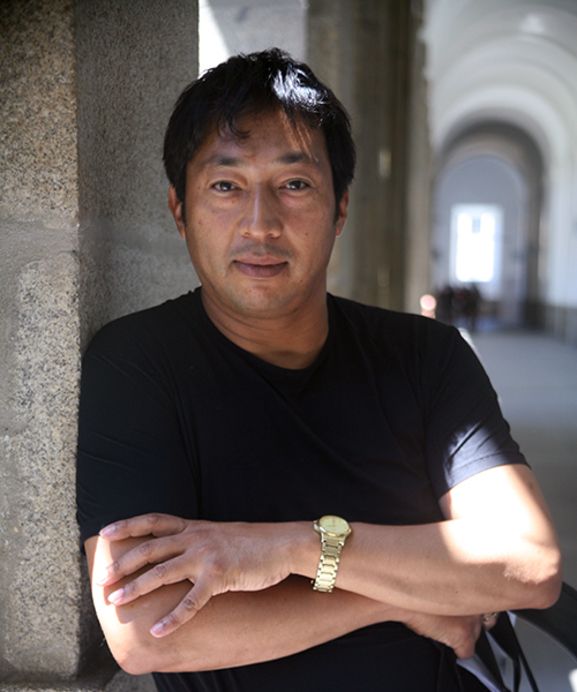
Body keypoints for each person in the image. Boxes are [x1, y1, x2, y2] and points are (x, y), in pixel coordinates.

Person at [76, 49, 561, 692]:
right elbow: (146, 630)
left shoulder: (426, 356)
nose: (261, 224)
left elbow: (530, 564)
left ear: (340, 209)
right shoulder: (137, 366)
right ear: (178, 209)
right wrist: (394, 596)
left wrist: (292, 548)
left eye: (295, 185)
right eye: (226, 186)